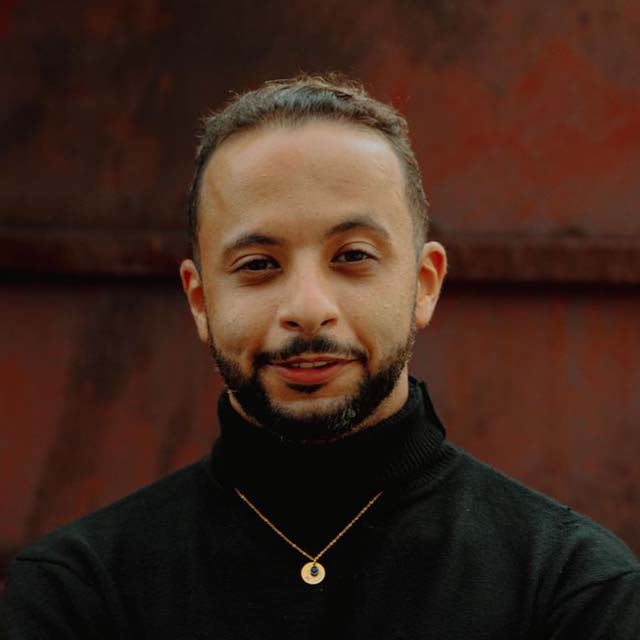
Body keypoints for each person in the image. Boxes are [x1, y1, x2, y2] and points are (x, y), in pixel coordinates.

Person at [1, 75, 639, 639]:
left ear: (424, 285)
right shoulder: (78, 594)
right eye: (258, 265)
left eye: (353, 256)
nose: (308, 309)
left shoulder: (570, 588)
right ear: (199, 300)